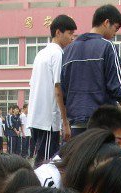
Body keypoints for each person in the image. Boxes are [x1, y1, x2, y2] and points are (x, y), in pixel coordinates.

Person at [61, 4, 121, 137]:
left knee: (82, 157)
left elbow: (63, 90)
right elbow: (118, 88)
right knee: (102, 158)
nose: (115, 34)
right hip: (102, 121)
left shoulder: (68, 50)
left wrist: (65, 121)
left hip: (76, 121)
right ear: (106, 22)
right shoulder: (107, 46)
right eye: (116, 28)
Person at [27, 15, 77, 165]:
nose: (72, 38)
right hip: (48, 119)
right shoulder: (58, 54)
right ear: (58, 32)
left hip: (36, 117)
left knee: (42, 160)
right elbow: (58, 88)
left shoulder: (41, 53)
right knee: (46, 164)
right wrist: (65, 121)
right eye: (69, 33)